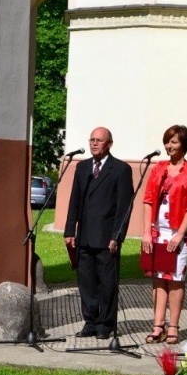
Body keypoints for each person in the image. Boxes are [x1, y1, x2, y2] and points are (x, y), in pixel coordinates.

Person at [64, 127, 134, 340]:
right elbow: (74, 200)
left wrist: (117, 236)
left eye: (99, 140)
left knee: (106, 283)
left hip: (106, 237)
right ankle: (90, 322)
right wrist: (69, 230)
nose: (94, 143)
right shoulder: (82, 167)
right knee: (86, 282)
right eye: (92, 140)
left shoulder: (120, 169)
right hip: (84, 235)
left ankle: (105, 323)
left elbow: (124, 207)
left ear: (109, 144)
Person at [140, 125, 187, 345]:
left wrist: (179, 234)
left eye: (174, 142)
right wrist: (147, 232)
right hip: (158, 232)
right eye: (167, 141)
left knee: (175, 280)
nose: (169, 146)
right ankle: (158, 325)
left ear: (184, 144)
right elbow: (148, 201)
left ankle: (174, 326)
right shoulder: (158, 168)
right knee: (159, 280)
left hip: (179, 235)